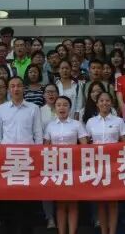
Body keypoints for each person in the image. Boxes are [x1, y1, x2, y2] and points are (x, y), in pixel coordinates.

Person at [0, 76, 43, 234]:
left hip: (28, 159)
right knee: (9, 197)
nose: (16, 89)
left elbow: (38, 134)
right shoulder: (1, 109)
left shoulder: (33, 108)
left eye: (19, 86)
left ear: (23, 88)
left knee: (27, 198)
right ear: (8, 89)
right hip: (7, 159)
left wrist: (38, 156)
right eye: (12, 86)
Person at [44, 96, 88, 234]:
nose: (61, 107)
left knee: (73, 202)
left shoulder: (77, 124)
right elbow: (45, 147)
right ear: (55, 108)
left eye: (65, 105)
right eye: (58, 105)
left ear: (69, 108)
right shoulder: (50, 125)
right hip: (56, 167)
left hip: (73, 167)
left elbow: (85, 145)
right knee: (60, 203)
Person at [86, 92, 125, 234]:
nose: (104, 103)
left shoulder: (118, 121)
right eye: (101, 101)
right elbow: (86, 144)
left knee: (113, 201)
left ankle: (113, 231)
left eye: (107, 100)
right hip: (97, 165)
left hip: (114, 165)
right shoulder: (91, 122)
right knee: (101, 201)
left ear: (111, 103)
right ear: (97, 103)